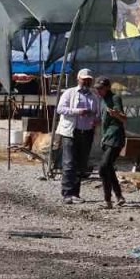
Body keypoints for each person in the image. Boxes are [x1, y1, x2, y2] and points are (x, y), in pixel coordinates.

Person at [56, 69, 100, 204]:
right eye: (84, 79)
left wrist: (96, 119)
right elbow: (60, 109)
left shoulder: (94, 96)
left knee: (81, 163)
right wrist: (78, 111)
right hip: (71, 132)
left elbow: (98, 113)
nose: (86, 81)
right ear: (78, 79)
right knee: (69, 162)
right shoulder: (69, 93)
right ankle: (67, 193)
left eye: (89, 79)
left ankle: (76, 193)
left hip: (86, 132)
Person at [94, 78, 127, 208]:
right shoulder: (101, 101)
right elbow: (104, 120)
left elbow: (124, 118)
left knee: (103, 167)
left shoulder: (115, 99)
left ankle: (107, 200)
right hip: (106, 138)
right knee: (108, 168)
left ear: (107, 87)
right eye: (97, 88)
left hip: (116, 138)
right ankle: (119, 196)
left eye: (100, 88)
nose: (98, 91)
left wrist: (116, 114)